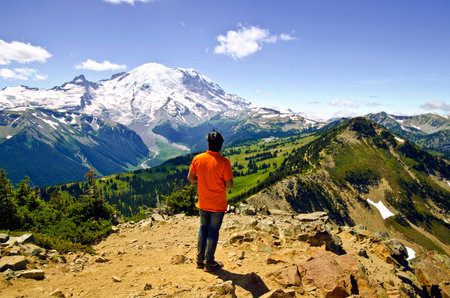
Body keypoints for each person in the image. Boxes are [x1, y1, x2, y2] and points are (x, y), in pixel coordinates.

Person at [187, 131, 233, 272]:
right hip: (218, 203)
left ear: (208, 144)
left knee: (203, 229)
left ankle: (199, 261)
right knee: (213, 231)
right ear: (221, 145)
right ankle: (210, 262)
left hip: (203, 201)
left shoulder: (198, 158)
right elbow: (229, 184)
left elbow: (190, 177)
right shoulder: (224, 162)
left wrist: (203, 179)